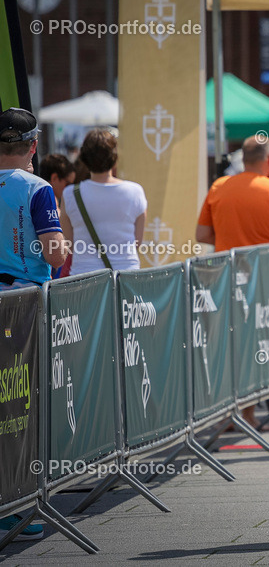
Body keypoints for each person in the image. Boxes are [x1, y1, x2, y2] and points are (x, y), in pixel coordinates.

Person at [196, 135, 269, 428]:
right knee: (255, 347)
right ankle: (247, 415)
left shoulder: (219, 187)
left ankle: (229, 413)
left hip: (224, 281)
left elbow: (202, 235)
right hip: (263, 284)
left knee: (229, 347)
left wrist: (233, 240)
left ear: (243, 160)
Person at [0, 108, 67, 541]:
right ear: (34, 145)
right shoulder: (38, 189)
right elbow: (54, 253)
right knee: (20, 407)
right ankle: (16, 505)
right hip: (24, 305)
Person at [61, 130, 148, 275]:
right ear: (115, 158)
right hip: (125, 275)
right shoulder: (135, 191)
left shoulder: (70, 194)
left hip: (84, 277)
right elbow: (137, 241)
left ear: (84, 158)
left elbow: (70, 243)